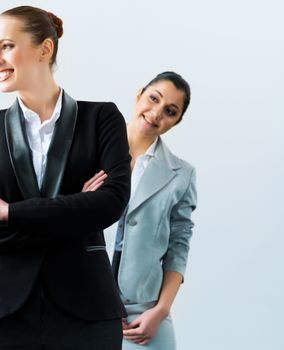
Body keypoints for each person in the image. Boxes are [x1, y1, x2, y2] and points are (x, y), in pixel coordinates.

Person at [0, 6, 131, 350]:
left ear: (44, 49)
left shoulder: (102, 119)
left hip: (86, 312)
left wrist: (9, 212)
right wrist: (74, 214)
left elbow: (110, 204)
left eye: (6, 46)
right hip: (2, 315)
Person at [111, 71, 197, 349]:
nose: (156, 113)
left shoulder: (181, 174)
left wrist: (160, 310)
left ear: (176, 122)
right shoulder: (89, 149)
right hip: (80, 300)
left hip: (142, 310)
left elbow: (179, 246)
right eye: (153, 98)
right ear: (139, 95)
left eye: (170, 111)